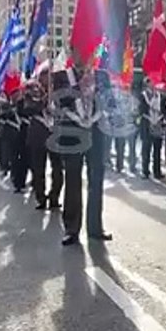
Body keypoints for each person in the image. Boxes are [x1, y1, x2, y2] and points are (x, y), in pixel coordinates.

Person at [52, 67, 112, 245]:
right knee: (73, 179)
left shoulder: (102, 75)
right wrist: (80, 88)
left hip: (96, 132)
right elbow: (61, 100)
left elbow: (109, 100)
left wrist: (95, 91)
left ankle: (95, 227)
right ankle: (71, 228)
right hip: (73, 134)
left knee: (96, 179)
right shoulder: (63, 76)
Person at [24, 84, 63, 210]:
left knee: (57, 169)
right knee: (38, 170)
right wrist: (45, 100)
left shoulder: (56, 92)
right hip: (38, 138)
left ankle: (54, 197)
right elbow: (28, 109)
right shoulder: (29, 96)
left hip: (54, 137)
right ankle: (41, 198)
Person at [138, 80, 166, 180]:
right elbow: (141, 110)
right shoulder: (143, 96)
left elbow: (164, 110)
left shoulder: (160, 96)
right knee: (146, 150)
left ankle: (157, 171)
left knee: (157, 150)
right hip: (147, 125)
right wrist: (150, 118)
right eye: (150, 83)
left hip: (157, 125)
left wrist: (159, 118)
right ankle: (145, 171)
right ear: (147, 85)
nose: (153, 85)